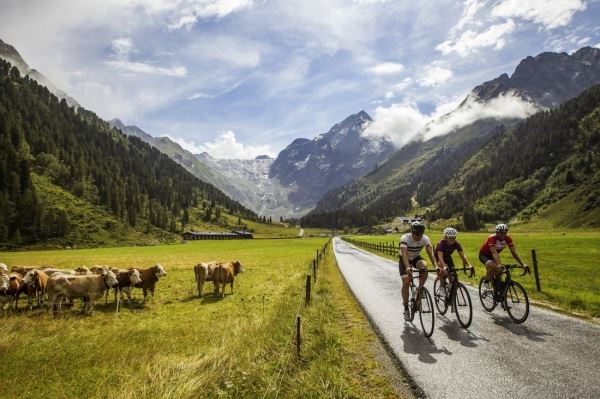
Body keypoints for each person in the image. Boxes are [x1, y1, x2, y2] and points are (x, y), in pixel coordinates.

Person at [399, 221, 436, 321]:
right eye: (416, 234)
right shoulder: (405, 238)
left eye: (420, 234)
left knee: (424, 267)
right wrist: (407, 267)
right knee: (406, 281)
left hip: (415, 257)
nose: (418, 236)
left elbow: (431, 253)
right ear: (412, 232)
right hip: (404, 259)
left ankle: (419, 289)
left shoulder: (425, 239)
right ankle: (406, 308)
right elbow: (405, 254)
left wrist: (436, 266)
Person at [479, 224, 529, 293]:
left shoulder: (508, 238)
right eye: (501, 232)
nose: (503, 234)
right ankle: (486, 282)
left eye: (505, 232)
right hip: (484, 255)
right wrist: (499, 264)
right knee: (494, 266)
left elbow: (514, 252)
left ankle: (497, 290)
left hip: (494, 256)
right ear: (497, 232)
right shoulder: (492, 238)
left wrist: (523, 264)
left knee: (499, 273)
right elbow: (493, 252)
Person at [435, 227, 474, 297]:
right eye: (450, 238)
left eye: (454, 238)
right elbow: (440, 257)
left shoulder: (456, 243)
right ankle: (441, 287)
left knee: (452, 276)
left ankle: (450, 294)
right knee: (445, 270)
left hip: (448, 258)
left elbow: (462, 256)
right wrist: (443, 267)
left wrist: (469, 265)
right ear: (446, 237)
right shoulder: (441, 243)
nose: (452, 240)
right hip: (439, 258)